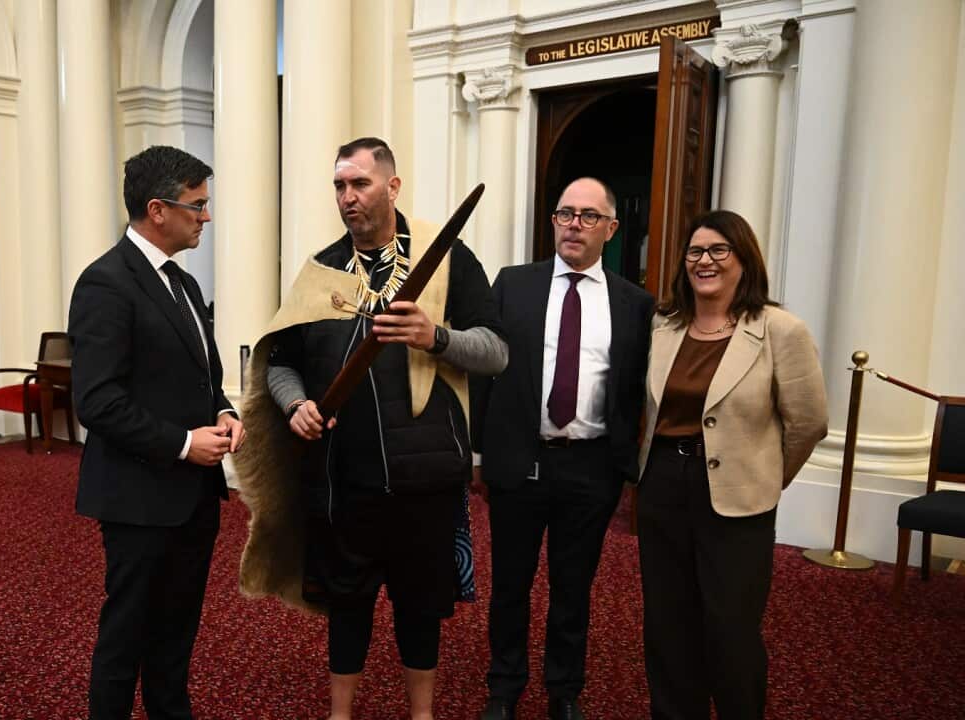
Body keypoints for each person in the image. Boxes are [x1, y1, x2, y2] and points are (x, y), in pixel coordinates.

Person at [235, 137, 507, 720]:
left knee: (419, 606)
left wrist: (437, 337)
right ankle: (340, 716)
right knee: (347, 603)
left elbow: (495, 353)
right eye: (339, 185)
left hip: (427, 477)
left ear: (392, 186)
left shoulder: (446, 256)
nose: (347, 197)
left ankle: (423, 715)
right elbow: (281, 360)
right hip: (344, 477)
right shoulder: (322, 271)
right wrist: (294, 404)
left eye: (359, 183)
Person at [68, 145, 244, 720]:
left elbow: (204, 380)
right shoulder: (105, 283)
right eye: (198, 206)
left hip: (193, 498)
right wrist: (183, 444)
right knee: (126, 640)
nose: (207, 217)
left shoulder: (186, 286)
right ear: (157, 209)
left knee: (175, 638)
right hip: (139, 497)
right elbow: (97, 402)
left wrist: (225, 415)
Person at [473, 178, 655, 720]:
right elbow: (486, 371)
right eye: (565, 214)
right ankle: (503, 687)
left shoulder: (635, 304)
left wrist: (626, 463)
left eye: (588, 216)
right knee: (510, 583)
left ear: (611, 229)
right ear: (553, 221)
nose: (574, 224)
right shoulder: (512, 285)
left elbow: (638, 386)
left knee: (572, 588)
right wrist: (480, 453)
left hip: (592, 466)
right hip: (519, 459)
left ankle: (564, 690)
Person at [636, 210, 826, 719]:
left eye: (719, 250)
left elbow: (808, 422)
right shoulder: (666, 326)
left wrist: (765, 476)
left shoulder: (780, 330)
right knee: (668, 626)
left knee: (730, 631)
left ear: (744, 260)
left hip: (737, 499)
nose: (705, 261)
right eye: (696, 251)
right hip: (663, 490)